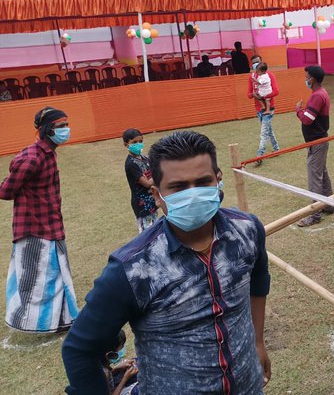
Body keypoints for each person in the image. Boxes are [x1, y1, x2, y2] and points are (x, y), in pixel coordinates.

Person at [62, 131, 271, 393]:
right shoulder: (132, 268)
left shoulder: (248, 230)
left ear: (218, 181)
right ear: (158, 195)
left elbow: (259, 281)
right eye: (178, 187)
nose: (193, 194)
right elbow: (79, 349)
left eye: (203, 182)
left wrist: (258, 342)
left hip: (248, 384)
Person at [0, 107, 78, 333]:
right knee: (36, 281)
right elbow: (6, 192)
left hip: (52, 225)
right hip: (34, 229)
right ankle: (31, 324)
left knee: (57, 275)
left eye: (66, 125)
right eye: (60, 126)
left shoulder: (48, 153)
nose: (66, 130)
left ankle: (62, 320)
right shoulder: (31, 158)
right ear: (46, 130)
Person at [296, 65, 334, 227]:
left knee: (315, 177)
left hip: (317, 142)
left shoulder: (318, 96)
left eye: (306, 77)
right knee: (321, 173)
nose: (305, 79)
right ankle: (328, 204)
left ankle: (315, 214)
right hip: (318, 141)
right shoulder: (319, 94)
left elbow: (307, 119)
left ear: (311, 79)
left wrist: (298, 110)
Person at [122, 129, 158, 233]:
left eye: (140, 141)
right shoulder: (131, 164)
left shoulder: (144, 158)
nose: (138, 144)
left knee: (155, 230)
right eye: (134, 142)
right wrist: (158, 173)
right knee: (146, 234)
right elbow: (147, 183)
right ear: (126, 144)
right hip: (142, 205)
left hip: (152, 201)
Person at [247, 55, 280, 166]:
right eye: (254, 63)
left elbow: (276, 91)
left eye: (258, 62)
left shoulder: (269, 75)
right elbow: (249, 94)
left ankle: (259, 155)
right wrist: (254, 94)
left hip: (269, 108)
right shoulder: (252, 77)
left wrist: (263, 97)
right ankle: (276, 149)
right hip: (259, 109)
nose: (256, 64)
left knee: (264, 132)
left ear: (262, 62)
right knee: (268, 130)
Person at [101, 330, 138, 395]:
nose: (123, 347)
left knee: (136, 362)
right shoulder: (103, 371)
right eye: (122, 345)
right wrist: (125, 378)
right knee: (137, 391)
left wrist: (118, 367)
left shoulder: (101, 357)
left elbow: (108, 378)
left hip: (111, 384)